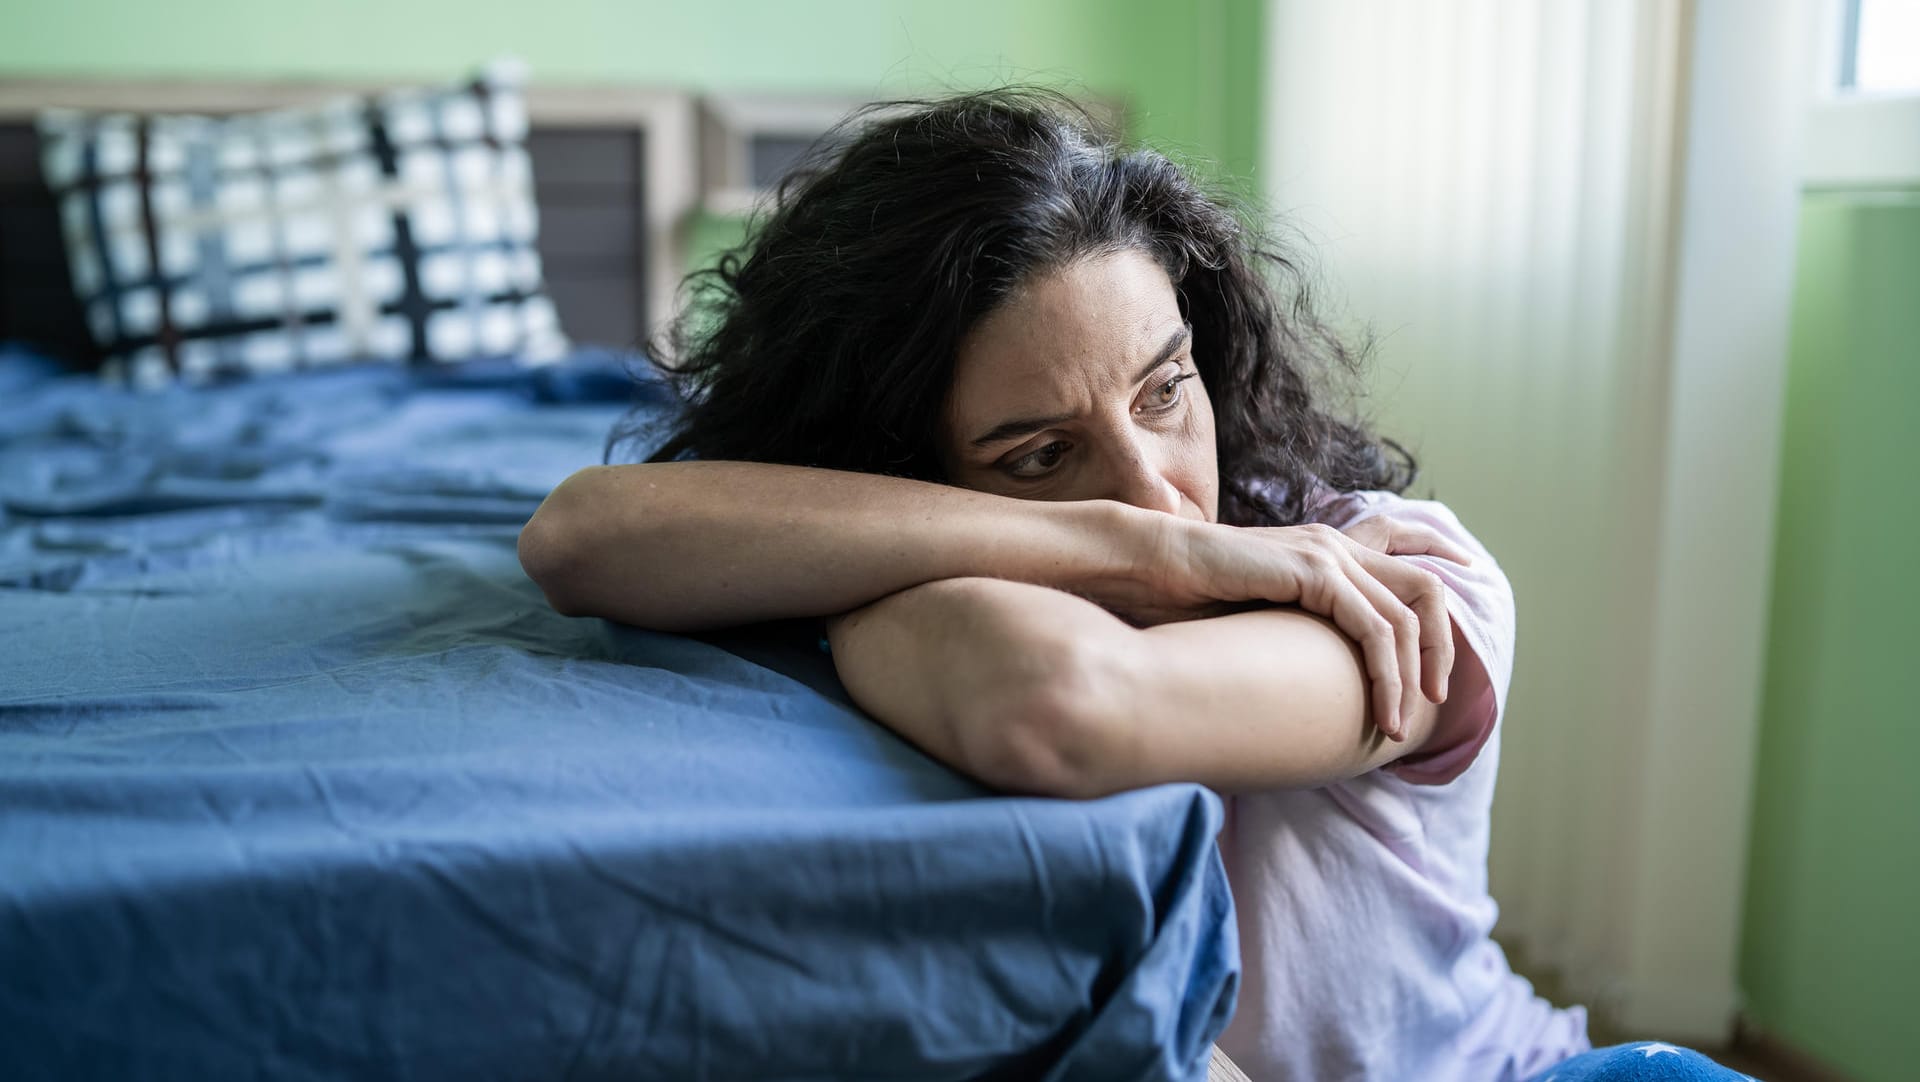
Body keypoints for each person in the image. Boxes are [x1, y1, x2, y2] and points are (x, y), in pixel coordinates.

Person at [519, 89, 1748, 1082]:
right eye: (1043, 454)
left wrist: (883, 552)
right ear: (902, 466)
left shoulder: (1398, 583)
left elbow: (1060, 702)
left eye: (1166, 390)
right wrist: (1147, 553)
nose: (1160, 490)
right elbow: (580, 537)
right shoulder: (1116, 542)